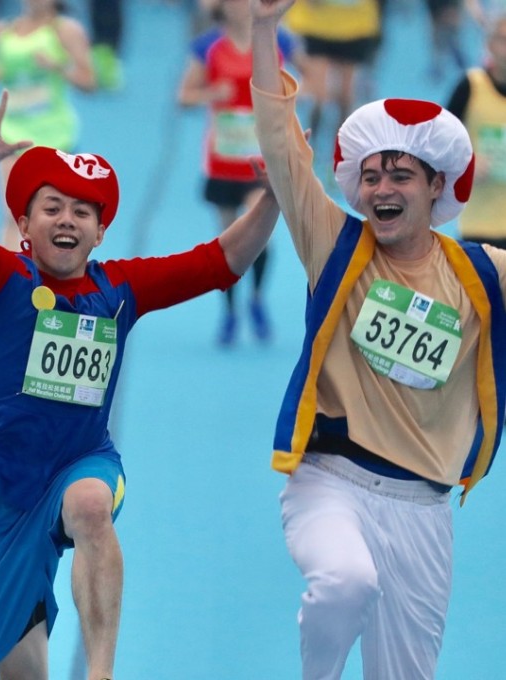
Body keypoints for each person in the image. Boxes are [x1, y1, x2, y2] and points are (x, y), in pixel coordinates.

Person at [0, 85, 281, 680]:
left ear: (100, 232)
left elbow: (221, 261)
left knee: (91, 505)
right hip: (0, 494)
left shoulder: (118, 289)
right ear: (23, 223)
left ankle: (100, 673)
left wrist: (275, 198)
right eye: (52, 208)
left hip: (82, 461)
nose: (67, 220)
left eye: (83, 212)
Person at [250, 0, 506, 677]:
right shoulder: (336, 245)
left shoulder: (482, 274)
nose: (381, 187)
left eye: (400, 175)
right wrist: (260, 29)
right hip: (329, 483)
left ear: (435, 188)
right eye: (370, 175)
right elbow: (281, 147)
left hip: (425, 506)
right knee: (344, 582)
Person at [178, 0, 301, 345]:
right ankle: (230, 310)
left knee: (260, 230)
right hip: (222, 160)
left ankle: (258, 297)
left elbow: (305, 79)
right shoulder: (207, 47)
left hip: (260, 161)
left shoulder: (280, 41)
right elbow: (183, 95)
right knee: (228, 239)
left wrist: (289, 97)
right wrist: (210, 93)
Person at [0, 0, 96, 250]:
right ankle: (13, 283)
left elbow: (89, 81)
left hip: (55, 136)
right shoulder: (3, 32)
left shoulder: (65, 31)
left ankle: (55, 280)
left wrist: (59, 67)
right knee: (14, 214)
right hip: (12, 135)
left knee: (56, 217)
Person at [281, 0, 381, 162]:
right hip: (314, 24)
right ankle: (309, 150)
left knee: (345, 95)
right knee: (317, 93)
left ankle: (341, 153)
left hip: (355, 26)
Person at [446, 13, 506, 248]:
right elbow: (436, 145)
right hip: (479, 227)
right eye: (503, 40)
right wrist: (466, 161)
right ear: (490, 44)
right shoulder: (470, 86)